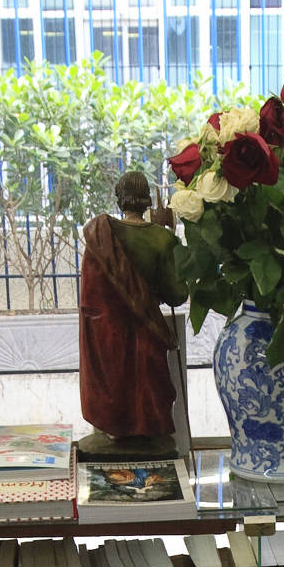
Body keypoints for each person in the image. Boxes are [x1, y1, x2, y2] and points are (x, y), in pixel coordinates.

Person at [77, 171, 191, 460]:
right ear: (147, 201)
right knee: (147, 389)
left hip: (107, 334)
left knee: (116, 384)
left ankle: (114, 430)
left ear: (119, 198)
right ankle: (146, 434)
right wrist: (170, 235)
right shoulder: (161, 239)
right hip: (146, 333)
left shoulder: (99, 237)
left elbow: (91, 298)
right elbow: (177, 295)